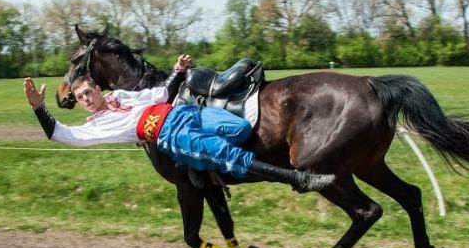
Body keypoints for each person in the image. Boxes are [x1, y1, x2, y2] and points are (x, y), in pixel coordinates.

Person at [23, 54, 336, 193]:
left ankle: (206, 174)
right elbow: (60, 134)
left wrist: (176, 70)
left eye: (88, 91)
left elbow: (160, 93)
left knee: (240, 130)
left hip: (185, 113)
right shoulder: (95, 126)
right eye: (80, 98)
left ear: (98, 89)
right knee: (230, 156)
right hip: (169, 133)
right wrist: (40, 109)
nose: (87, 98)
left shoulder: (121, 94)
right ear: (78, 103)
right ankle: (298, 180)